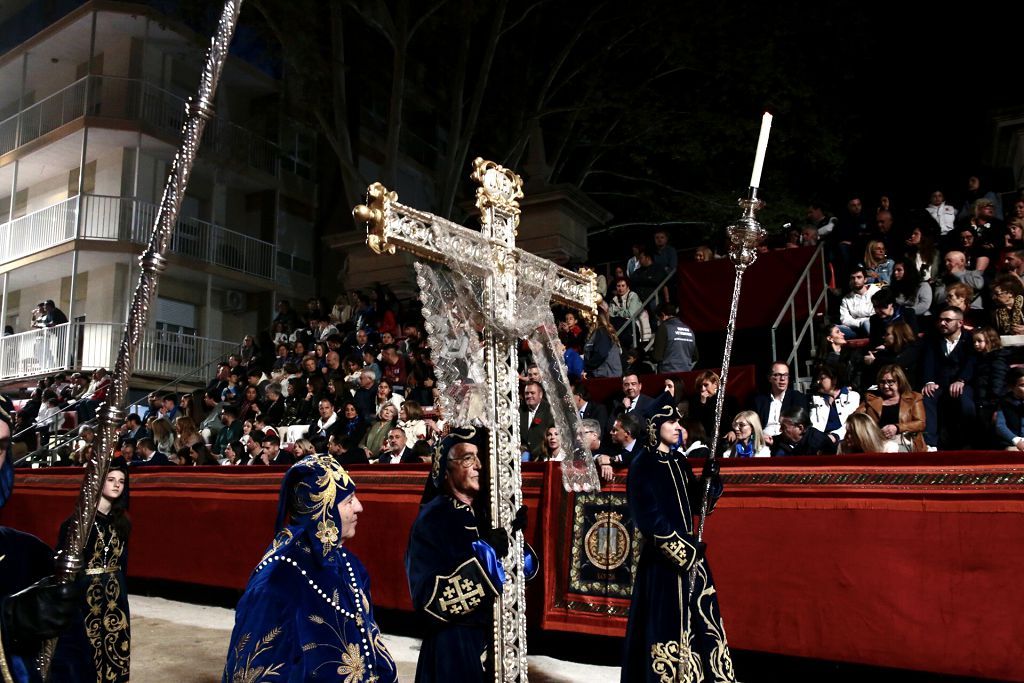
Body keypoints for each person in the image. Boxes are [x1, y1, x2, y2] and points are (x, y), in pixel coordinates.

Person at [223, 455, 398, 681]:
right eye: (349, 500)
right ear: (324, 513)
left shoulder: (350, 564)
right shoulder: (276, 582)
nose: (360, 507)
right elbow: (255, 671)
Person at [621, 400, 733, 682]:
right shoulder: (642, 464)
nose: (678, 428)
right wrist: (683, 550)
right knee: (666, 624)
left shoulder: (680, 462)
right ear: (656, 426)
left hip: (693, 556)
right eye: (672, 423)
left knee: (702, 622)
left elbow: (698, 505)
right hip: (665, 562)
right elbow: (648, 519)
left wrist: (711, 481)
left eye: (679, 424)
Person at [405, 429, 527, 682]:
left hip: (490, 637)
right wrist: (488, 556)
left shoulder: (485, 513)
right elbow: (428, 598)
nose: (479, 466)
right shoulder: (433, 518)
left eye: (480, 458)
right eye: (468, 459)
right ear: (445, 469)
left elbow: (518, 572)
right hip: (451, 643)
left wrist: (517, 539)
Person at [56, 460, 131, 682]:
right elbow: (63, 567)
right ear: (98, 482)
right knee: (87, 649)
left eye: (121, 481)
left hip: (116, 596)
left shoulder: (123, 523)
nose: (117, 485)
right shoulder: (76, 524)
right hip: (85, 594)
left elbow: (124, 563)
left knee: (117, 647)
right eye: (111, 480)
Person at [856, 365, 926, 453]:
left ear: (900, 382)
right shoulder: (871, 398)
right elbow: (856, 418)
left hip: (904, 442)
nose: (885, 386)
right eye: (882, 382)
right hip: (876, 442)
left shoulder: (914, 398)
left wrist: (897, 427)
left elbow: (920, 423)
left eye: (890, 382)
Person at [650, 302, 697, 373]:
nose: (659, 321)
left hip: (668, 374)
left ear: (663, 315)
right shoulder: (689, 329)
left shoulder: (664, 327)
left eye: (658, 319)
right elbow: (695, 356)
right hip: (686, 374)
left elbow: (657, 357)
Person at [583, 308, 623, 378]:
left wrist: (586, 367)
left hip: (607, 377)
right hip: (604, 375)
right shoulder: (600, 332)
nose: (585, 320)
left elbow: (601, 354)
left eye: (587, 317)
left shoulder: (602, 332)